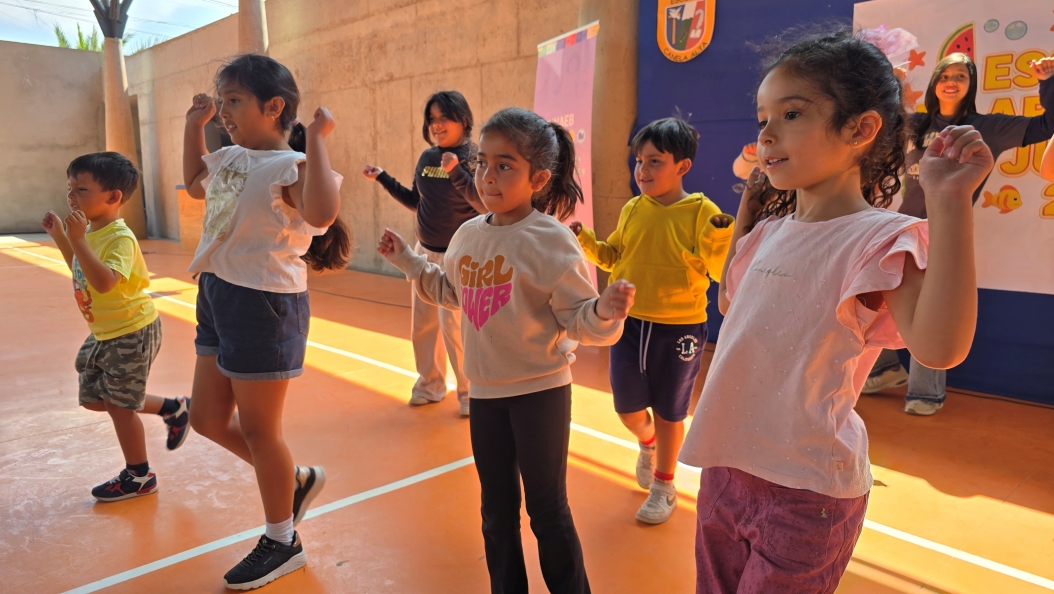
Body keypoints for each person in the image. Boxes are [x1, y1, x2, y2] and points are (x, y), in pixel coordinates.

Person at [680, 30, 993, 592]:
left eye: (792, 113)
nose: (767, 134)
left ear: (860, 129)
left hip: (808, 493)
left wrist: (950, 204)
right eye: (762, 118)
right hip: (725, 470)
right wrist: (750, 206)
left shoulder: (879, 239)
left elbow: (940, 347)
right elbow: (729, 301)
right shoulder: (768, 234)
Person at [378, 107, 635, 594]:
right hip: (486, 395)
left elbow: (582, 322)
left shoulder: (552, 242)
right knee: (496, 512)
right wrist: (408, 261)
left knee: (546, 510)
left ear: (537, 177)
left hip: (540, 393)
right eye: (483, 163)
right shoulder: (468, 235)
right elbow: (451, 292)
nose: (488, 176)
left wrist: (605, 311)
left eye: (505, 165)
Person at [182, 54, 351, 591]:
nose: (225, 111)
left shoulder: (289, 166)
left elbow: (322, 214)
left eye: (234, 100)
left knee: (259, 430)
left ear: (273, 105)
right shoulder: (230, 156)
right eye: (223, 100)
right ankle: (293, 481)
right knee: (207, 418)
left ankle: (283, 541)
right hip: (217, 294)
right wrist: (194, 125)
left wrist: (318, 140)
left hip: (262, 303)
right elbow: (192, 183)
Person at [863, 52, 1054, 415]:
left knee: (933, 308)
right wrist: (895, 85)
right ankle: (884, 370)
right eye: (945, 75)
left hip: (944, 233)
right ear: (935, 83)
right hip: (902, 228)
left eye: (961, 76)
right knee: (882, 296)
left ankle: (925, 395)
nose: (951, 81)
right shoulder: (915, 124)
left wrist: (1048, 83)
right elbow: (879, 122)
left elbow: (1046, 126)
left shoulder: (986, 127)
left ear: (971, 86)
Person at [569, 117, 733, 524]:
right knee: (627, 408)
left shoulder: (701, 212)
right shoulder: (632, 207)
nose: (642, 171)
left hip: (680, 329)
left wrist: (718, 238)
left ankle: (664, 485)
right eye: (638, 161)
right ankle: (647, 445)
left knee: (669, 412)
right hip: (629, 325)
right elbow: (612, 257)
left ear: (683, 167)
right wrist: (586, 241)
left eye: (654, 161)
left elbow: (717, 271)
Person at [41, 152, 191, 502]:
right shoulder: (89, 233)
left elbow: (105, 282)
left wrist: (76, 239)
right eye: (70, 188)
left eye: (81, 189)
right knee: (97, 400)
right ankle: (173, 407)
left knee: (120, 406)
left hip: (131, 331)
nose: (71, 196)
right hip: (105, 332)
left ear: (113, 198)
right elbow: (81, 268)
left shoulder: (120, 238)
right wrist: (62, 236)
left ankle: (139, 476)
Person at [363, 91, 486, 417]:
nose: (436, 125)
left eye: (443, 117)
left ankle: (469, 393)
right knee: (424, 325)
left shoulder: (474, 157)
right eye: (431, 119)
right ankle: (430, 384)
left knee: (456, 328)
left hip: (460, 257)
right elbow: (417, 202)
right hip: (424, 252)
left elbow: (483, 204)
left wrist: (457, 171)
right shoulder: (428, 158)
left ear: (462, 119)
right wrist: (383, 178)